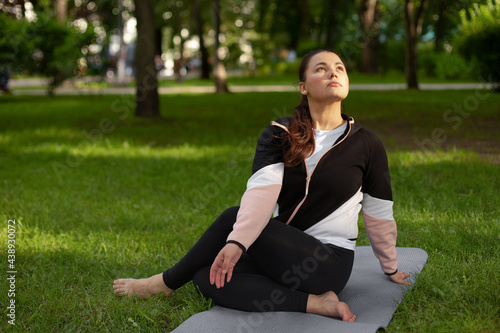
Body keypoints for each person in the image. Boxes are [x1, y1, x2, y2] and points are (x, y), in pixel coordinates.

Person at [113, 49, 410, 322]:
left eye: (340, 68)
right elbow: (261, 193)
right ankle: (314, 304)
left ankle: (162, 284)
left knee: (231, 217)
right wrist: (238, 242)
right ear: (303, 86)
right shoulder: (280, 132)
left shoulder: (366, 143)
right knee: (206, 276)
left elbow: (378, 209)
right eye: (321, 69)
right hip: (280, 253)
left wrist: (391, 266)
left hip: (327, 263)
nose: (333, 73)